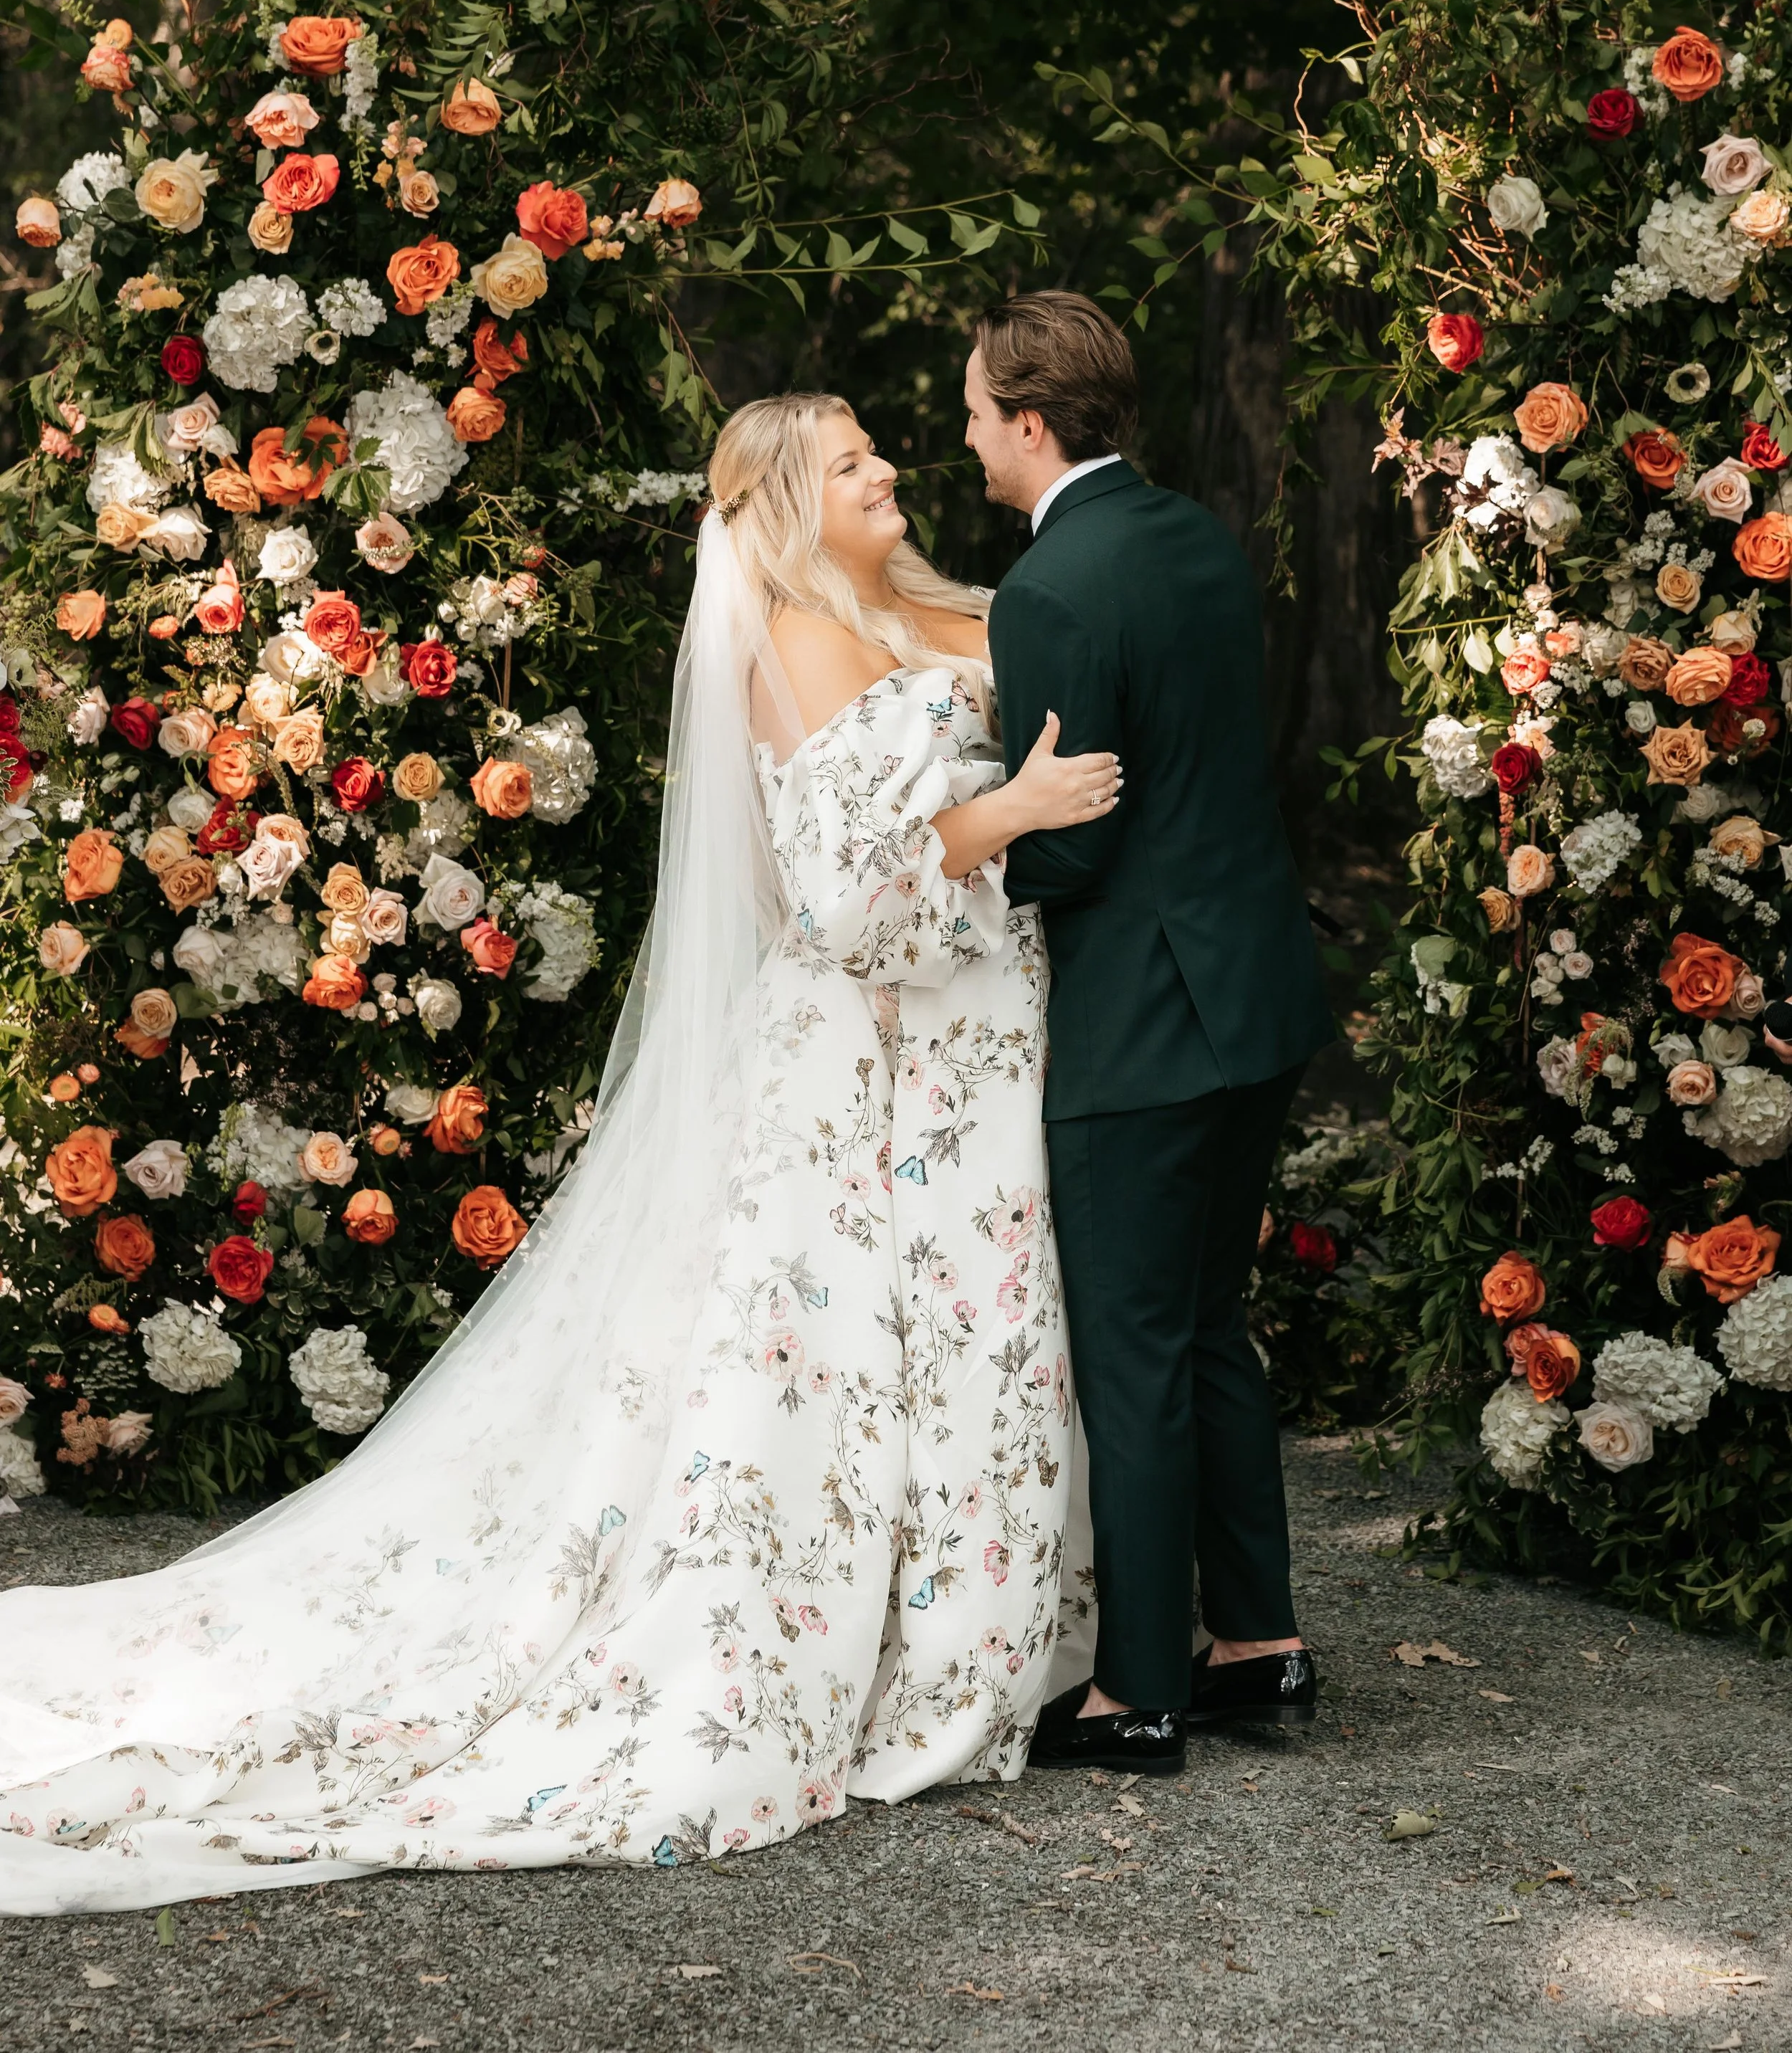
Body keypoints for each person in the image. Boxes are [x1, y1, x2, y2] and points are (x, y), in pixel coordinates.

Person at [0, 392, 1117, 1915]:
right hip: (865, 1072)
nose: (886, 471)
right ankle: (838, 1658)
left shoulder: (925, 606)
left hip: (964, 1067)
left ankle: (957, 1646)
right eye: (850, 460)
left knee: (956, 1346)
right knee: (840, 1364)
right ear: (789, 499)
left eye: (876, 451)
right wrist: (1013, 811)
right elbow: (846, 905)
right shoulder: (791, 642)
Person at [965, 291, 1334, 1777]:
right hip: (1254, 993)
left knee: (1127, 1348)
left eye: (980, 413)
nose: (967, 436)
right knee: (1201, 1327)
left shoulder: (1046, 591)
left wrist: (965, 845)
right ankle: (1256, 1641)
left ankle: (1138, 1693)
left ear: (1034, 419)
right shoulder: (1192, 538)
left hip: (1140, 1017)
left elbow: (1067, 847)